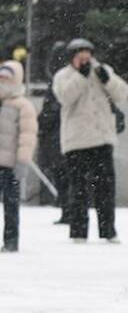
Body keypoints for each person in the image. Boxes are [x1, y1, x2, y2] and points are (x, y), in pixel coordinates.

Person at [52, 37, 128, 243]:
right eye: (80, 57)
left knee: (106, 188)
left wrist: (107, 80)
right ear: (72, 58)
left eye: (88, 56)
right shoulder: (63, 76)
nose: (85, 60)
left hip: (102, 138)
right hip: (76, 141)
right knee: (78, 188)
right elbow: (65, 97)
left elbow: (123, 93)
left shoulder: (102, 70)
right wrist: (80, 76)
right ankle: (78, 231)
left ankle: (108, 230)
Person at [0, 61, 37, 252]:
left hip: (10, 165)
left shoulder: (22, 106)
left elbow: (27, 136)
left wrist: (23, 161)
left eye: (7, 78)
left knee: (11, 205)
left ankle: (11, 240)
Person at [35, 83, 69, 223]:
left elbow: (47, 118)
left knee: (63, 178)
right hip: (62, 143)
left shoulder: (55, 97)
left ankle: (67, 210)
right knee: (66, 179)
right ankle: (68, 210)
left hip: (57, 143)